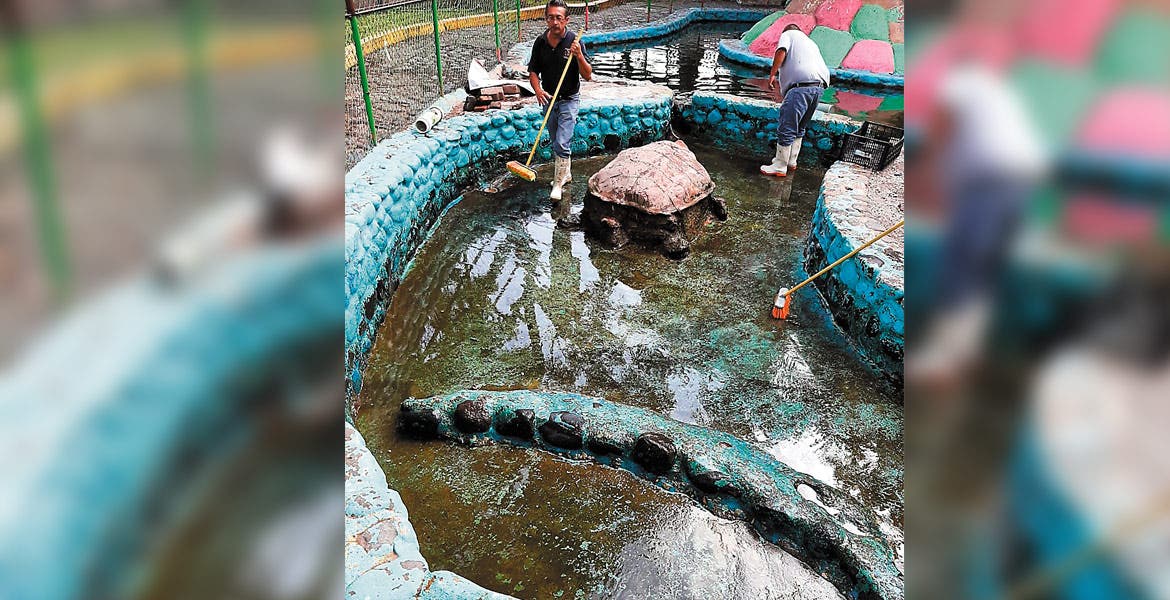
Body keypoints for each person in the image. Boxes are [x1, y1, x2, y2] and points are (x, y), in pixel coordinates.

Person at [528, 0, 592, 200]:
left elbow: (588, 75)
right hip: (549, 98)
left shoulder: (574, 42)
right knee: (556, 140)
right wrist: (538, 90)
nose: (554, 22)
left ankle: (557, 185)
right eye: (551, 17)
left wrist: (579, 56)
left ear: (566, 20)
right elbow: (533, 71)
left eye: (558, 18)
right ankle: (566, 173)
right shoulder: (541, 42)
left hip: (569, 98)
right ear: (546, 19)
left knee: (562, 142)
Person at [761, 24, 830, 177]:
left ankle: (780, 165)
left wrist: (772, 74)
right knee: (799, 127)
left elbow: (781, 50)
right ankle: (791, 161)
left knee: (787, 125)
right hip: (818, 88)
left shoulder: (788, 34)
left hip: (800, 87)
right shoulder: (810, 43)